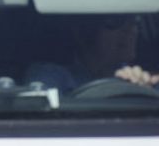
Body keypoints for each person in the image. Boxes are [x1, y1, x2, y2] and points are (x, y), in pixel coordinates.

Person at [25, 15, 159, 94]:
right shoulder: (51, 75)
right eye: (115, 21)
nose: (131, 30)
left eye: (135, 22)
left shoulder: (139, 77)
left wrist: (143, 92)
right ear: (83, 31)